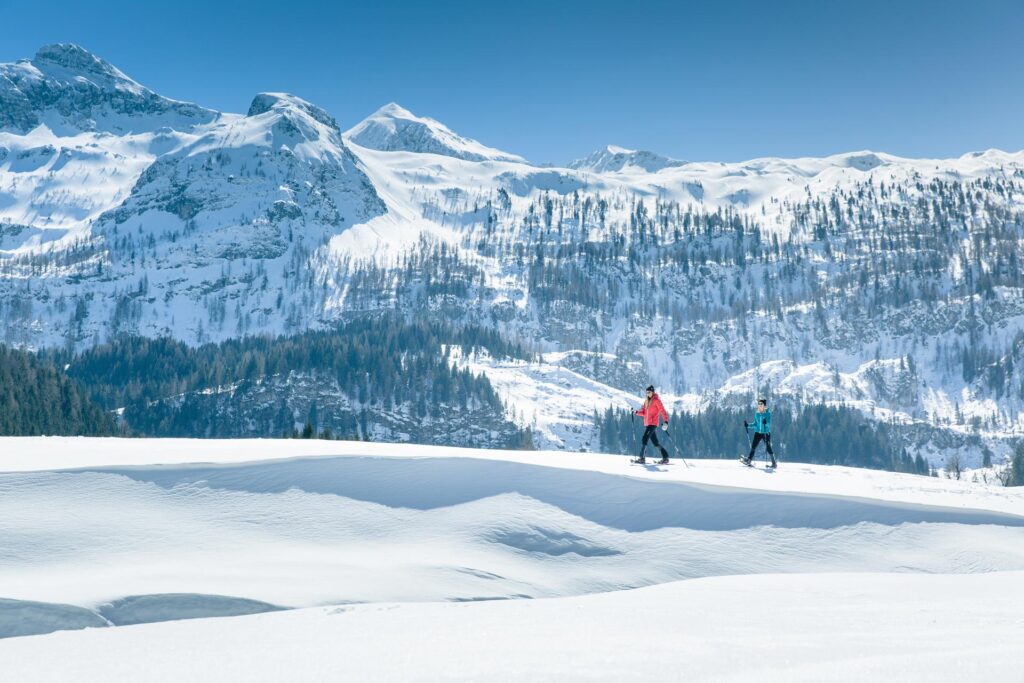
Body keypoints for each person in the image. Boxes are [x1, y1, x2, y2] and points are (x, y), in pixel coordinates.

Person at [635, 385, 670, 464]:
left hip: (653, 424)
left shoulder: (656, 400)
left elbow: (662, 410)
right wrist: (636, 412)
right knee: (655, 442)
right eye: (646, 392)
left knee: (645, 438)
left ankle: (642, 458)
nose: (647, 394)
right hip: (648, 424)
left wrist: (666, 421)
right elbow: (644, 413)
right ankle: (665, 457)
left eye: (649, 392)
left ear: (653, 392)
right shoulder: (646, 401)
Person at [743, 398, 777, 467]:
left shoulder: (768, 413)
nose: (759, 405)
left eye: (761, 404)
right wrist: (748, 425)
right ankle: (749, 460)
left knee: (768, 447)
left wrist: (766, 423)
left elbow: (769, 424)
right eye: (759, 404)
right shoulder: (757, 414)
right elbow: (755, 424)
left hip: (765, 432)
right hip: (758, 432)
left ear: (764, 405)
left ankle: (774, 463)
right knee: (753, 446)